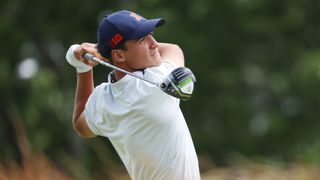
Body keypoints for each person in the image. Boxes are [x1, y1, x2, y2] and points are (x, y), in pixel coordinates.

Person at [65, 10, 200, 180]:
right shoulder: (154, 82)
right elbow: (174, 49)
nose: (154, 44)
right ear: (119, 55)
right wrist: (101, 53)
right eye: (143, 39)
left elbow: (80, 123)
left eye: (151, 35)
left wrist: (83, 67)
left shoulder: (104, 101)